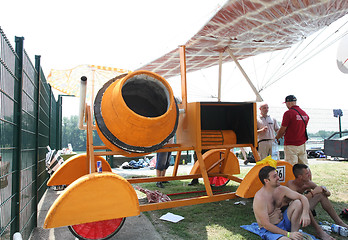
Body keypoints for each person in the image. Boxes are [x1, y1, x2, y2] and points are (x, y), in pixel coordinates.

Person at [287, 164, 348, 240]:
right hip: (292, 212)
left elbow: (327, 194)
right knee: (303, 203)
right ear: (300, 177)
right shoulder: (291, 184)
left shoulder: (308, 183)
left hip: (303, 209)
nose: (309, 175)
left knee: (321, 195)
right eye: (307, 173)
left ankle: (339, 222)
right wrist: (314, 192)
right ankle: (319, 231)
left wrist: (324, 190)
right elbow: (298, 200)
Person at [253, 166, 311, 240]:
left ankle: (295, 234)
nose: (278, 177)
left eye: (277, 174)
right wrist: (288, 234)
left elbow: (302, 197)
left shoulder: (281, 189)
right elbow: (266, 225)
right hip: (269, 230)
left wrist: (305, 213)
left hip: (283, 222)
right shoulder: (260, 198)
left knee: (298, 203)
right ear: (266, 181)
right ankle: (291, 235)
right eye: (275, 176)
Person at [275, 95, 309, 165]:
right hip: (302, 144)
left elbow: (283, 128)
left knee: (291, 166)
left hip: (291, 144)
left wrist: (277, 137)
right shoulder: (304, 114)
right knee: (303, 165)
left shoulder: (288, 113)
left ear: (288, 103)